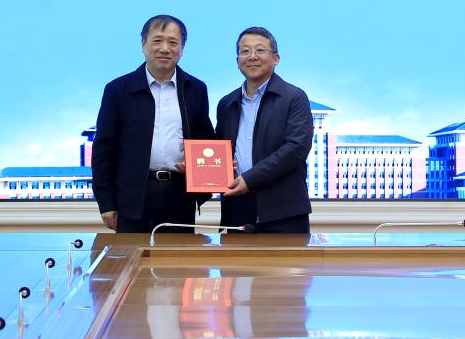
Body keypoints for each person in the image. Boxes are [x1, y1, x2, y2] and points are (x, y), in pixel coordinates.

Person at [91, 15, 213, 233]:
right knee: (132, 254)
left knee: (178, 254)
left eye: (173, 42)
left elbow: (205, 140)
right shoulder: (118, 90)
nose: (165, 48)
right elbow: (103, 150)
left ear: (182, 48)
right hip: (133, 196)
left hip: (180, 195)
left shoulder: (196, 89)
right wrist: (106, 202)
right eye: (157, 41)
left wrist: (209, 172)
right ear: (143, 45)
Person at [216, 27, 313, 233]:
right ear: (237, 61)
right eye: (245, 51)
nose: (252, 57)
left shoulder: (294, 97)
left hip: (283, 213)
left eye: (260, 50)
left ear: (276, 59)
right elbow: (218, 150)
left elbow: (296, 148)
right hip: (237, 209)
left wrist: (249, 180)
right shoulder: (227, 103)